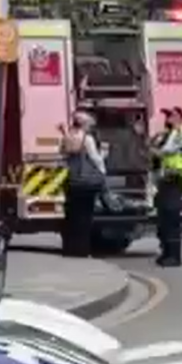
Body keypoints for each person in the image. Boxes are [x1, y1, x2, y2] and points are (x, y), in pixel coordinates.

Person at [151, 107, 182, 269]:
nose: (167, 119)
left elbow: (165, 151)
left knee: (171, 219)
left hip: (176, 179)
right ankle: (166, 253)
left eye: (170, 116)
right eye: (166, 116)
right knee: (164, 219)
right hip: (166, 181)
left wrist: (155, 149)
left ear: (178, 117)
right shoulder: (169, 134)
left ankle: (174, 256)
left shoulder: (181, 134)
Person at [58, 111, 105, 258]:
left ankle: (69, 248)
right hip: (85, 182)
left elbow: (62, 153)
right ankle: (82, 250)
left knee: (71, 214)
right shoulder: (87, 138)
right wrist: (103, 159)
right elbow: (95, 158)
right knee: (85, 216)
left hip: (71, 180)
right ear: (84, 124)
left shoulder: (67, 136)